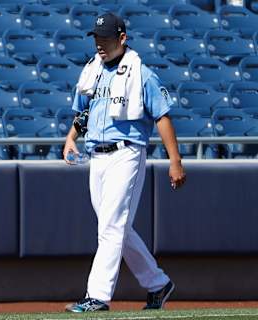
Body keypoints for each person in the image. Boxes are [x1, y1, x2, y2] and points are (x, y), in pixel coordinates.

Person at [63, 12, 186, 312]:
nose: (100, 44)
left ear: (122, 38)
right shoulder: (93, 70)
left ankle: (98, 296)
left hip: (126, 152)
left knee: (111, 226)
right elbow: (84, 113)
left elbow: (162, 115)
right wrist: (70, 138)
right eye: (96, 38)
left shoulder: (140, 73)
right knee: (116, 227)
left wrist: (175, 160)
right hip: (97, 156)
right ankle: (158, 283)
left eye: (106, 38)